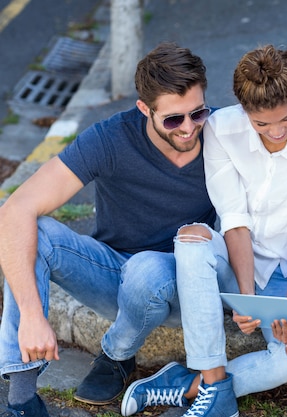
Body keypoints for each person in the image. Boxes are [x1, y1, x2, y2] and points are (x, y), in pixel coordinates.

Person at [120, 44, 287, 416]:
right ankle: (214, 383)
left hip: (286, 271)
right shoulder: (222, 128)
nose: (276, 131)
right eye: (262, 123)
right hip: (233, 261)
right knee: (192, 238)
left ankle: (191, 386)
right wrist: (244, 298)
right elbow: (233, 217)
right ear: (243, 109)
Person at [0, 42, 220, 416]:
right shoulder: (110, 139)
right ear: (144, 109)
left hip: (188, 285)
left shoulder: (223, 133)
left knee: (147, 267)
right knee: (35, 230)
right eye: (173, 120)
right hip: (115, 276)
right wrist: (34, 317)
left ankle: (116, 353)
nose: (189, 128)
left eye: (197, 113)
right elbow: (15, 209)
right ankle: (22, 398)